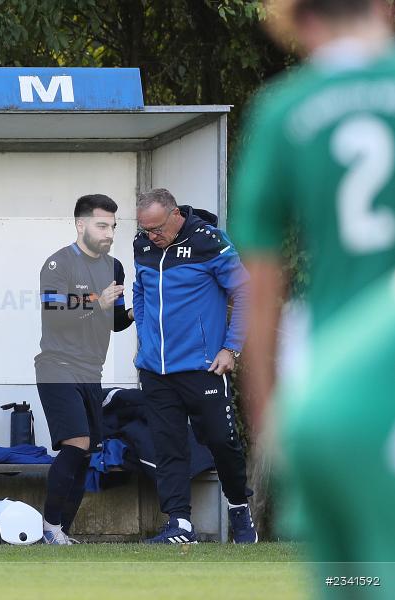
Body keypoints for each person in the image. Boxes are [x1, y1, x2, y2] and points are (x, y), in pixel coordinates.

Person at [232, 0, 395, 567]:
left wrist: (267, 414)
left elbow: (259, 284)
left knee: (355, 577)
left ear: (299, 21)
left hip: (334, 382)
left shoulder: (284, 111)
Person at [132, 188, 257, 544]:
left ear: (175, 215)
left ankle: (238, 508)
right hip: (156, 370)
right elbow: (140, 292)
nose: (151, 237)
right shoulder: (142, 245)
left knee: (222, 440)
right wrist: (145, 336)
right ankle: (179, 523)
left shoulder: (209, 241)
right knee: (168, 445)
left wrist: (231, 348)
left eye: (156, 229)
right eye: (144, 230)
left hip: (204, 367)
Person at [35, 194, 133, 544]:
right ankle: (50, 528)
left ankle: (61, 531)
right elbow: (54, 314)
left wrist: (139, 310)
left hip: (92, 372)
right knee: (75, 443)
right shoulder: (58, 265)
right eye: (102, 225)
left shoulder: (115, 267)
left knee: (86, 452)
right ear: (81, 225)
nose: (109, 233)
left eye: (113, 227)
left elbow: (117, 320)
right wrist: (96, 301)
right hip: (57, 366)